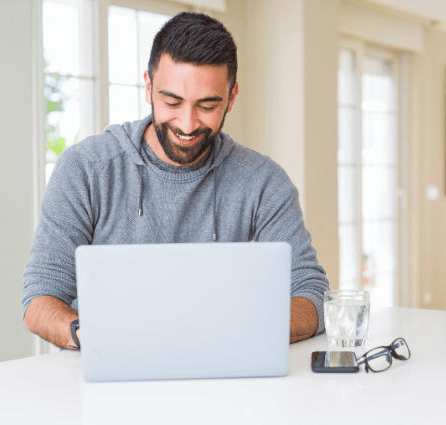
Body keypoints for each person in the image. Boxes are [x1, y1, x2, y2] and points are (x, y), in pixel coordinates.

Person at [22, 12, 329, 350]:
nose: (187, 123)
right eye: (172, 101)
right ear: (149, 86)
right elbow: (40, 298)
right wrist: (91, 336)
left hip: (223, 366)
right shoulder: (86, 169)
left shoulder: (263, 182)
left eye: (207, 105)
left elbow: (310, 292)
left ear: (232, 96)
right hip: (110, 371)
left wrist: (241, 330)